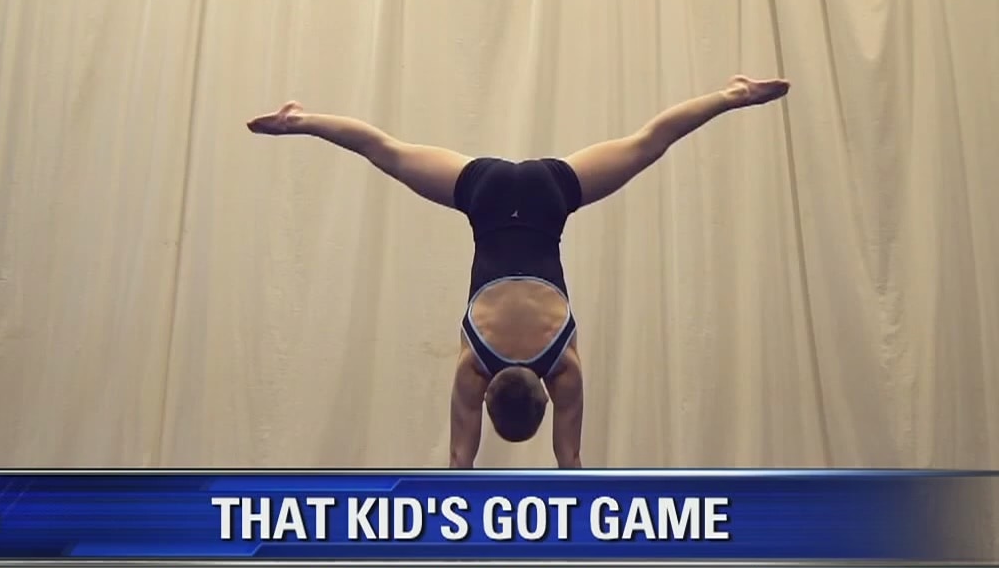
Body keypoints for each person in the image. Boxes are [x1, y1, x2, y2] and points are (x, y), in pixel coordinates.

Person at [247, 75, 790, 468]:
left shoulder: (563, 371)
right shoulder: (473, 369)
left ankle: (732, 95)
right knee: (384, 150)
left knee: (649, 142)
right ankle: (301, 122)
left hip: (548, 197)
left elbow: (570, 463)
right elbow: (461, 464)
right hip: (483, 195)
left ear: (546, 397)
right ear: (487, 397)